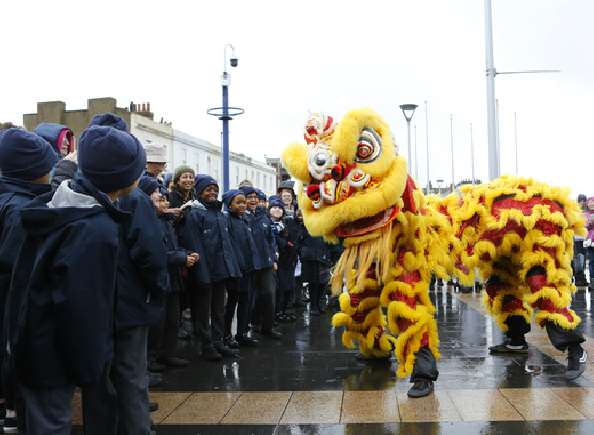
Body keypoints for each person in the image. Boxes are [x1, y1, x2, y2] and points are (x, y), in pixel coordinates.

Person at [6, 125, 144, 435]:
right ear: (123, 177)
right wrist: (90, 368)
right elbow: (82, 306)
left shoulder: (65, 207)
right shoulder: (96, 230)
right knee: (52, 425)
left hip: (35, 342)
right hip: (52, 354)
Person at [0, 128, 58, 434]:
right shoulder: (21, 210)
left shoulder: (11, 199)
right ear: (33, 172)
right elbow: (17, 266)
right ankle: (15, 411)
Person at [178, 175, 241, 361]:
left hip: (220, 271)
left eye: (215, 189)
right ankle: (206, 345)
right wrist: (201, 273)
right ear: (199, 191)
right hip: (204, 272)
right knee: (203, 312)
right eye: (208, 189)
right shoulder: (194, 213)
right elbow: (194, 244)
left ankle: (218, 342)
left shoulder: (219, 214)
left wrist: (232, 268)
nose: (212, 192)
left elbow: (226, 245)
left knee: (218, 309)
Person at [138, 177, 195, 368]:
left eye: (164, 198)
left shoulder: (165, 221)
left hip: (173, 278)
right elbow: (154, 253)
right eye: (159, 198)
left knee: (172, 319)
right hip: (158, 279)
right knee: (156, 322)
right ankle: (150, 358)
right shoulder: (147, 222)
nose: (164, 202)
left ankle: (167, 353)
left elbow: (173, 245)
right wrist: (180, 258)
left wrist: (186, 254)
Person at [241, 186, 282, 339]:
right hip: (249, 265)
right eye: (249, 197)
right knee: (249, 298)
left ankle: (267, 327)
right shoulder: (241, 216)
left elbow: (271, 240)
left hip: (266, 263)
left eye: (254, 197)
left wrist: (274, 258)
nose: (252, 200)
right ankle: (244, 331)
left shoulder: (263, 216)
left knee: (269, 295)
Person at [223, 189, 259, 347]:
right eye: (238, 202)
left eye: (244, 202)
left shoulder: (246, 220)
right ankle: (225, 335)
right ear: (229, 204)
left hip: (248, 268)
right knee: (231, 303)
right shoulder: (226, 220)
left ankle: (241, 333)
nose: (243, 205)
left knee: (246, 302)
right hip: (236, 270)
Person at [269, 199, 298, 322]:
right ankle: (275, 314)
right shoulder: (269, 224)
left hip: (287, 262)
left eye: (280, 208)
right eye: (274, 207)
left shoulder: (284, 224)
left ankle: (282, 311)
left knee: (287, 288)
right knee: (277, 290)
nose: (277, 210)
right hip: (276, 262)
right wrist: (285, 244)